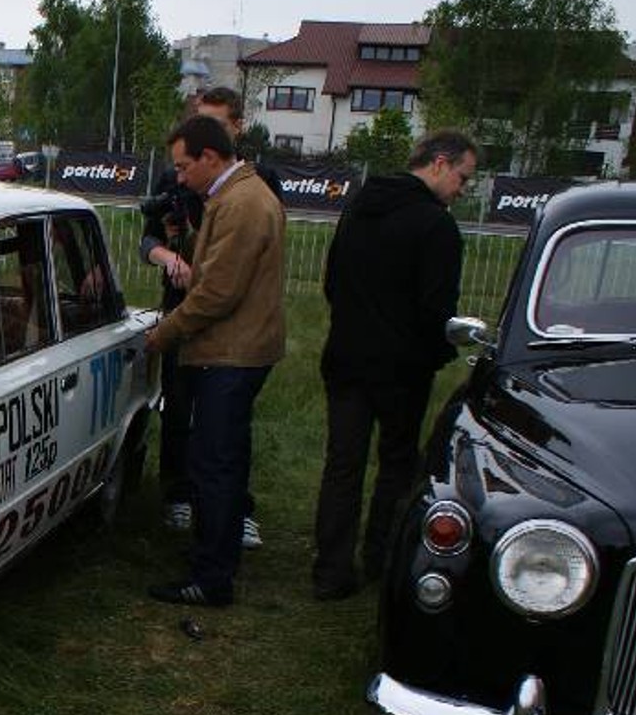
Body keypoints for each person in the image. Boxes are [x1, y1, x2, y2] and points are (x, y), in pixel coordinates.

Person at [311, 130, 479, 601]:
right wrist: (438, 351)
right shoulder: (437, 227)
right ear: (440, 164)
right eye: (463, 177)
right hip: (403, 371)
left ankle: (331, 569)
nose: (463, 189)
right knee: (397, 466)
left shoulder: (361, 206)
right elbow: (435, 311)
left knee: (342, 465)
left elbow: (332, 282)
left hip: (347, 358)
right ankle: (382, 560)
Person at [144, 114, 286, 607]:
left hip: (233, 352)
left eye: (184, 167)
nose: (179, 177)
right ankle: (213, 560)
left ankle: (210, 577)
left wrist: (164, 334)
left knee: (214, 463)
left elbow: (216, 295)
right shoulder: (234, 196)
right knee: (219, 459)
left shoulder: (243, 204)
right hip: (237, 348)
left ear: (210, 157)